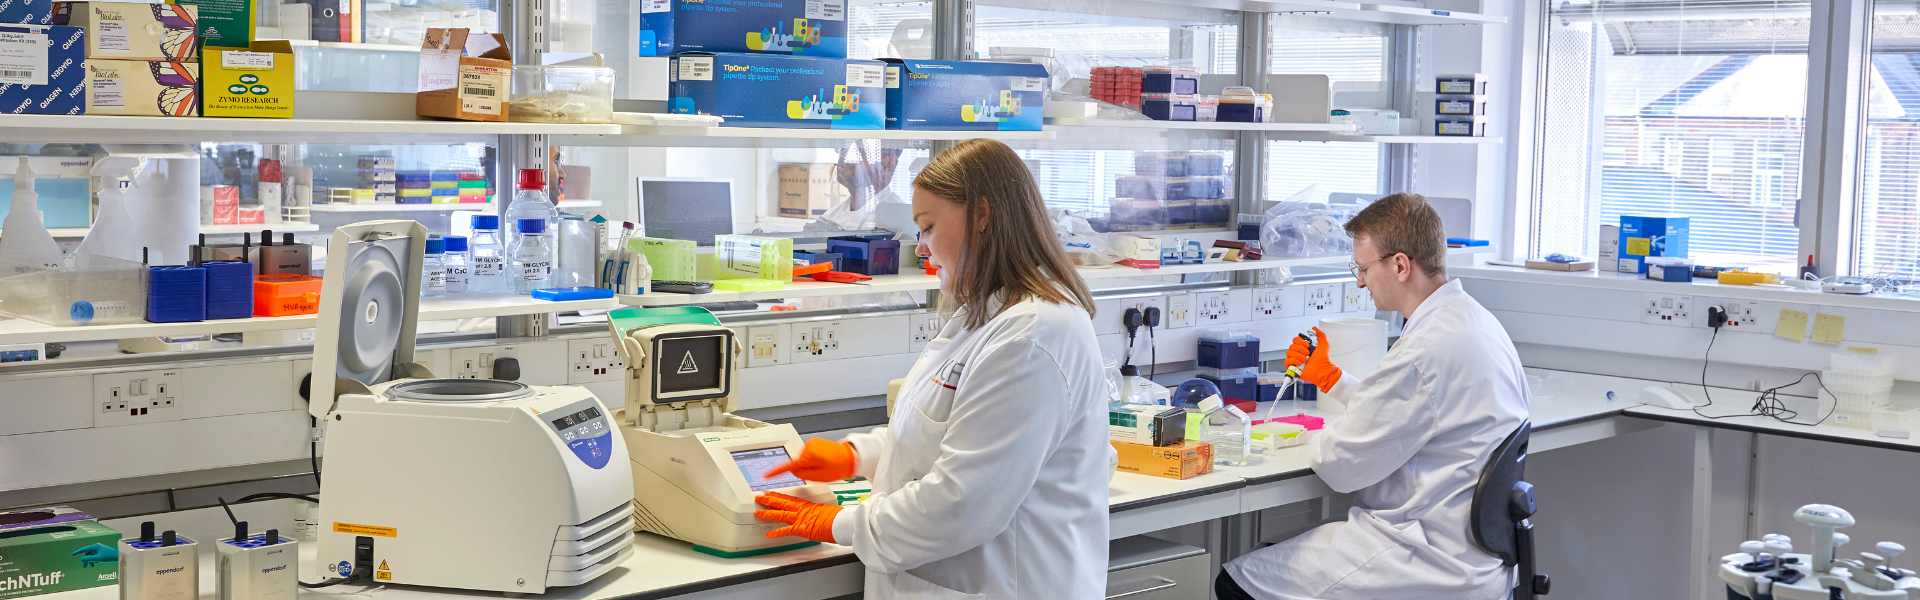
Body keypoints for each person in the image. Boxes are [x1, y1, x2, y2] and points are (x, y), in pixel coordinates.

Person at [751, 138, 1111, 599]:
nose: (920, 248)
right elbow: (953, 433)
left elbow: (964, 504)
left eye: (928, 227)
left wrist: (840, 522)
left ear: (982, 215)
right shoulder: (985, 316)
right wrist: (858, 456)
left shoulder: (1033, 336)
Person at [1216, 192, 1530, 600]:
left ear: (1400, 265)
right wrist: (1333, 380)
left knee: (1239, 583)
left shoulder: (1423, 351)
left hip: (1424, 559)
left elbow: (1340, 465)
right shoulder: (1476, 323)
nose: (1360, 281)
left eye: (1363, 268)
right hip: (1478, 560)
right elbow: (1413, 411)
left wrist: (1302, 436)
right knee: (1271, 557)